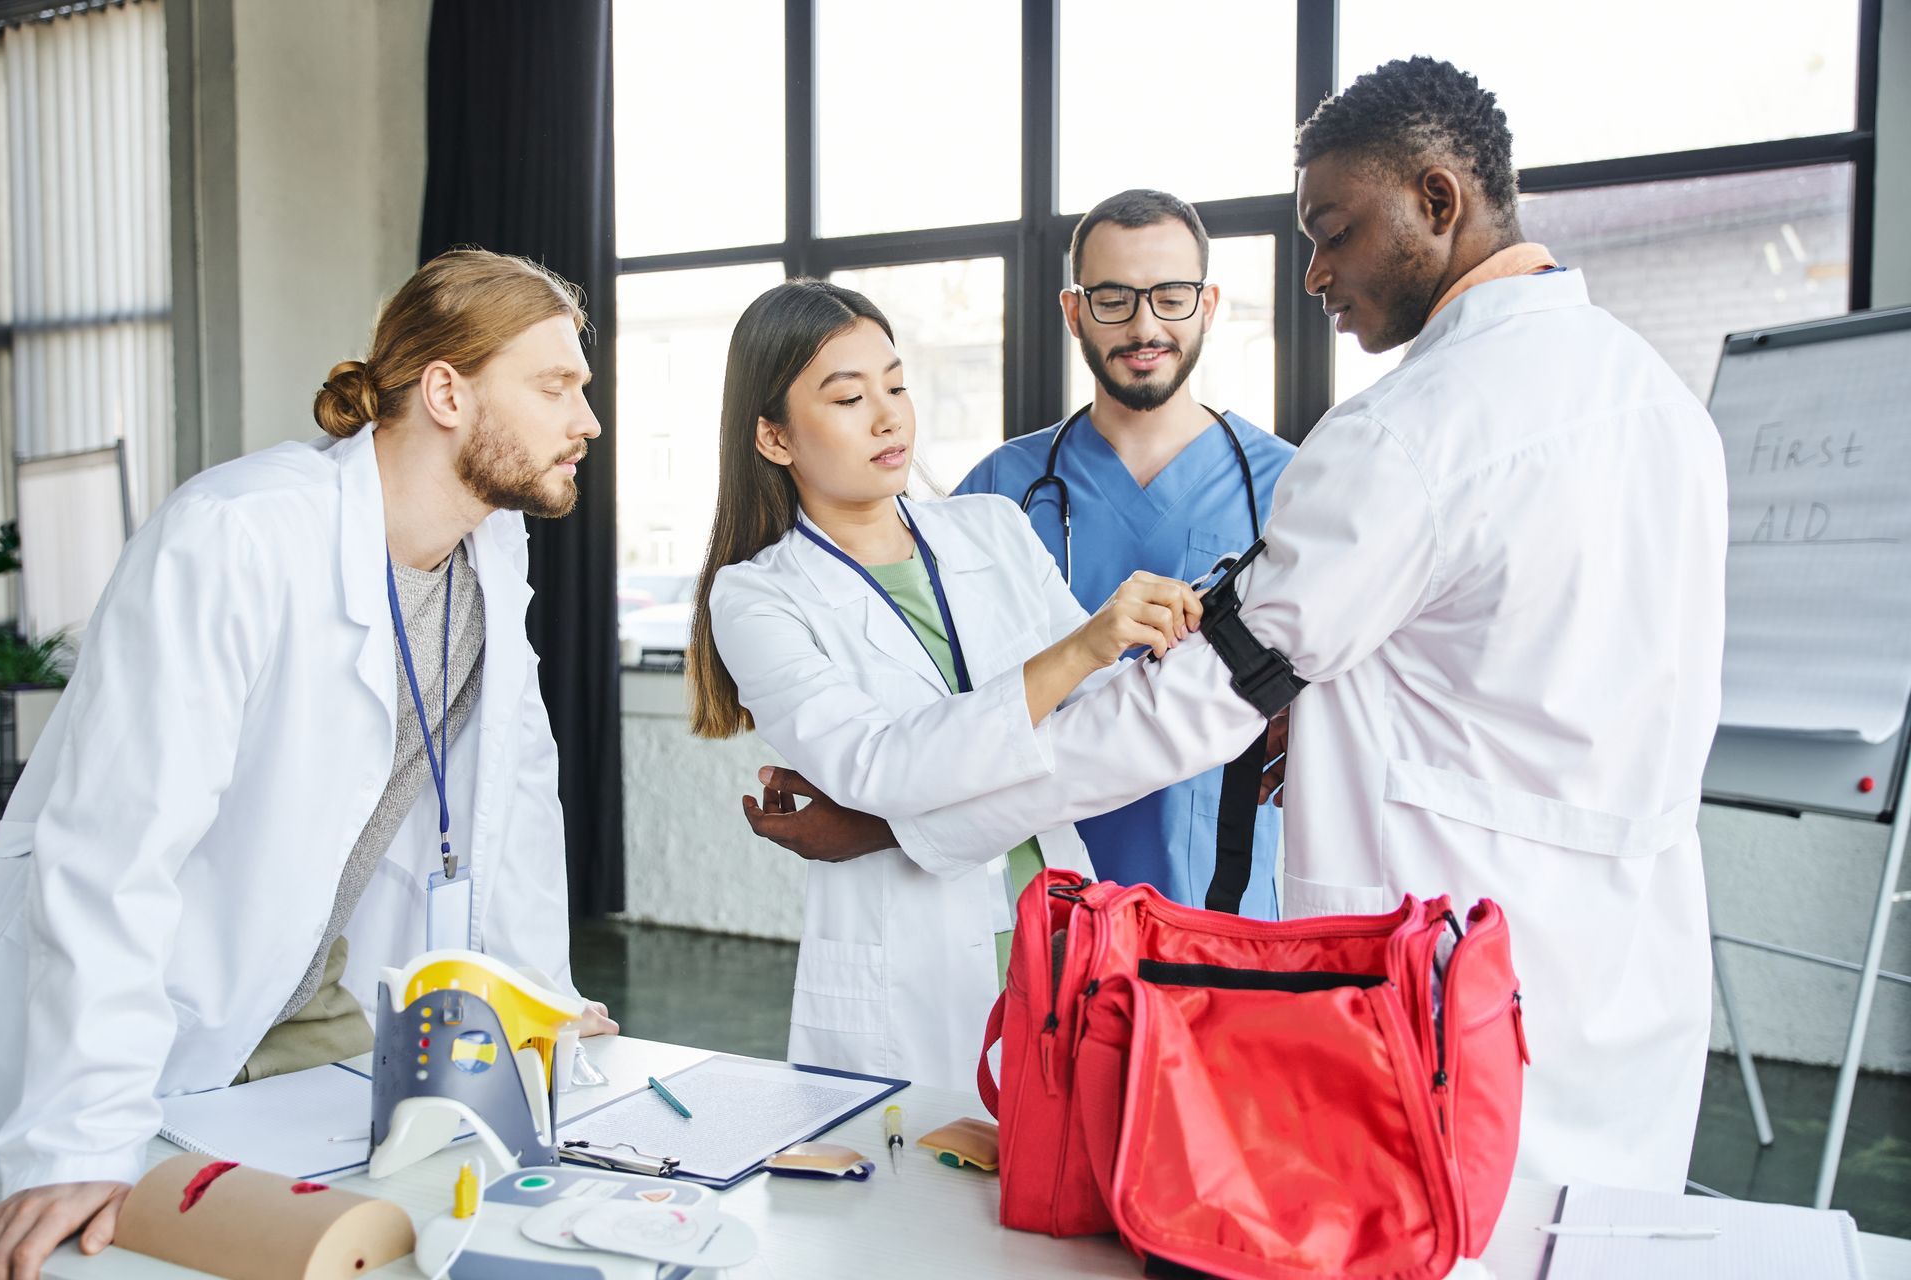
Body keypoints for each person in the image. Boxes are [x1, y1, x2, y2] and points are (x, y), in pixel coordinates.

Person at [740, 58, 1727, 1192]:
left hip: (1440, 965)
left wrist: (908, 811)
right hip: (1626, 971)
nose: (1314, 273)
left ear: (1438, 203)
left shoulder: (1403, 434)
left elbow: (1186, 705)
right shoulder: (1660, 401)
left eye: (1333, 231)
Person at [0, 249, 620, 1279]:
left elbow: (513, 788)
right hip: (137, 1004)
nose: (586, 419)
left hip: (306, 988)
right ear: (448, 391)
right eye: (556, 386)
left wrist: (533, 995)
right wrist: (78, 1127)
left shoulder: (490, 555)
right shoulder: (236, 537)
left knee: (393, 1234)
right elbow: (112, 848)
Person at [690, 279, 1203, 1089]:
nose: (890, 416)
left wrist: (1176, 653)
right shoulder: (757, 596)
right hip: (911, 965)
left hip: (1059, 921)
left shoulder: (991, 526)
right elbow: (882, 770)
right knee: (924, 1202)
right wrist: (1080, 650)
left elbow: (1105, 727)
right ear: (774, 437)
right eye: (850, 397)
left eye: (896, 385)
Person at [954, 189, 1296, 917]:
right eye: (1113, 298)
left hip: (1223, 910)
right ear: (1073, 310)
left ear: (1207, 304)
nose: (1144, 325)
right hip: (1038, 911)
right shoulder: (1000, 491)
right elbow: (941, 701)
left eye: (1170, 296)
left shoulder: (1292, 488)